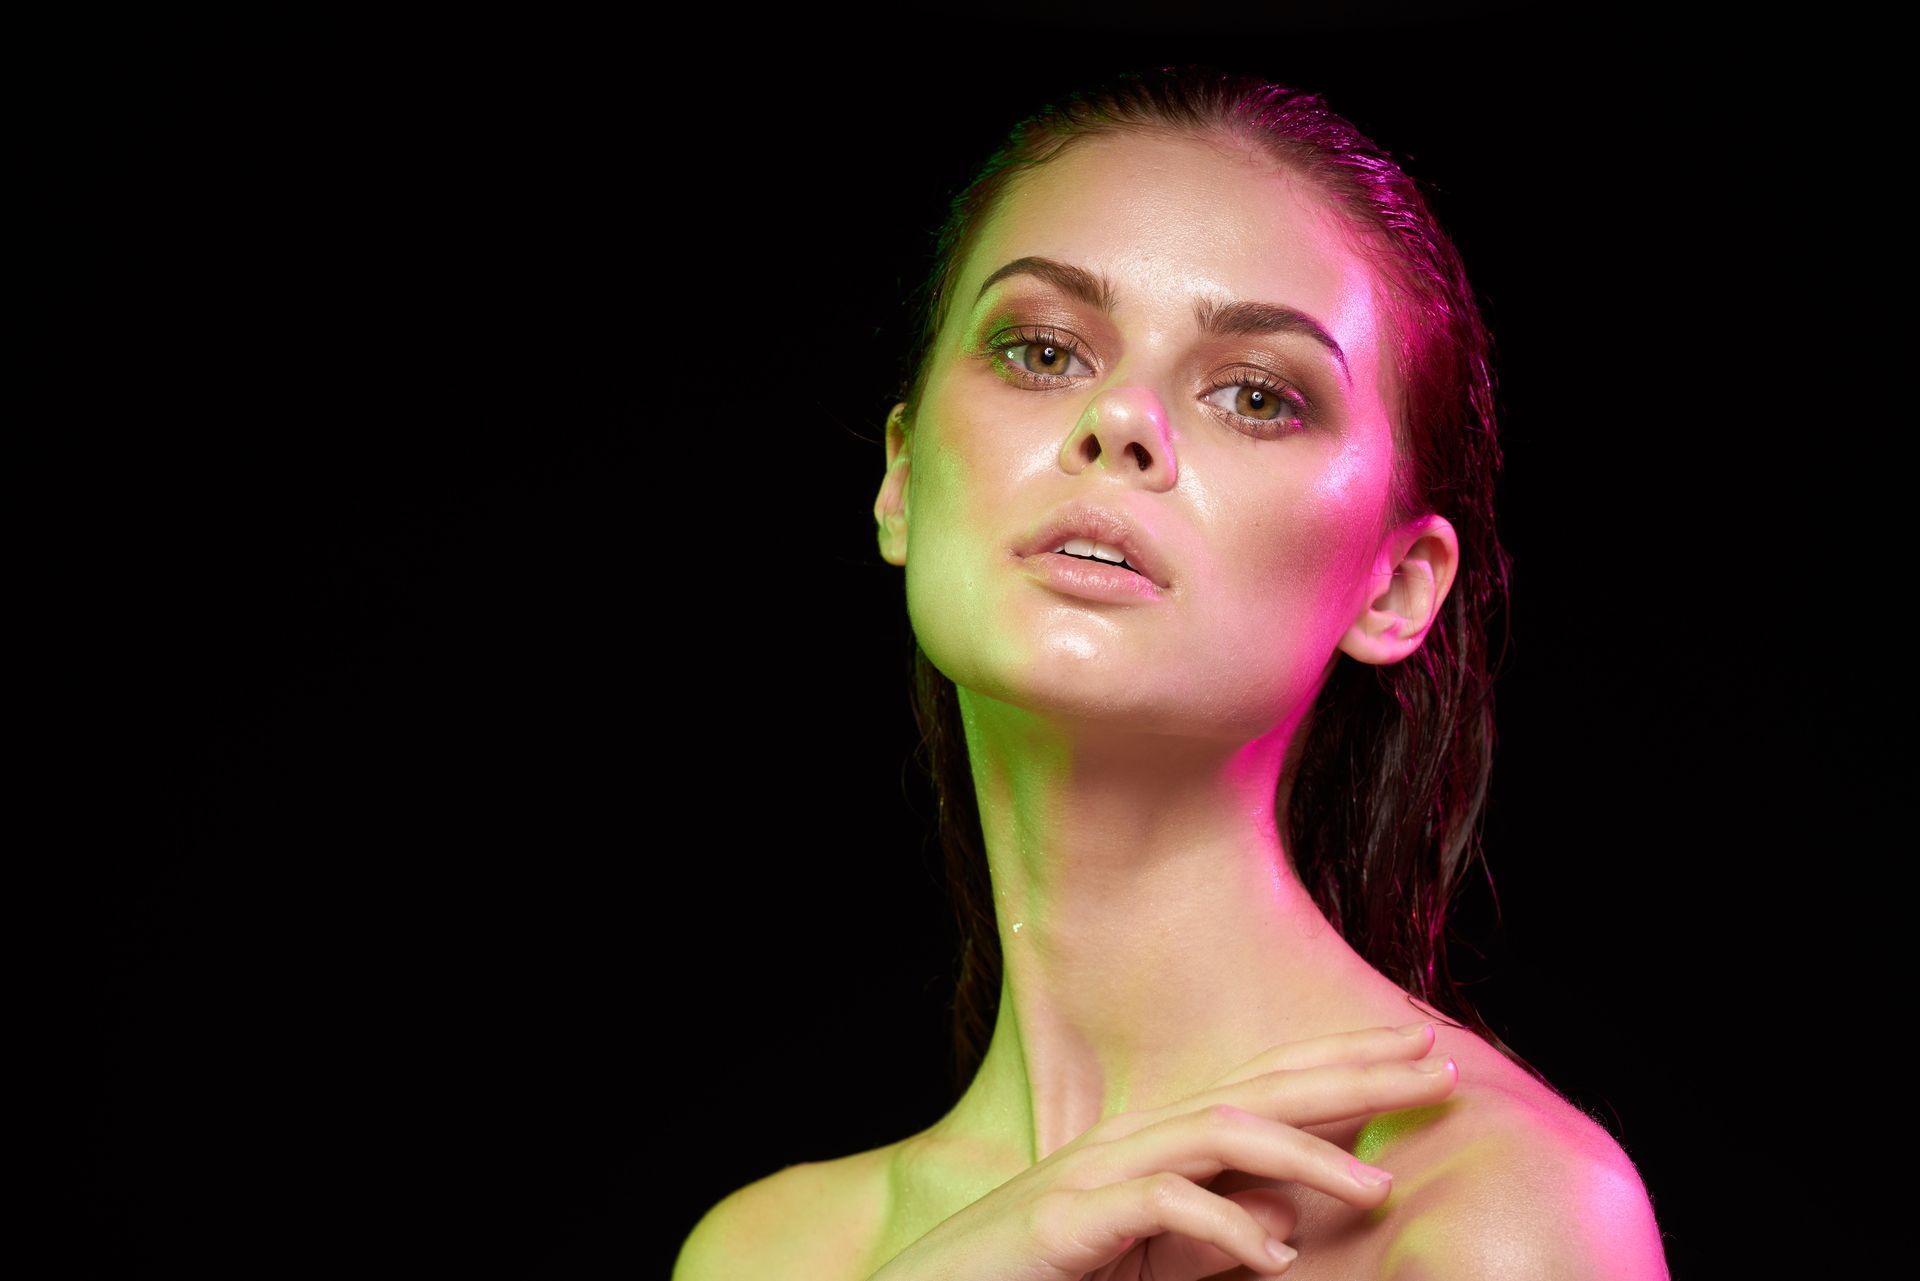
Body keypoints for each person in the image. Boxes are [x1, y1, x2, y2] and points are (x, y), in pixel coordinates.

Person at [674, 65, 1668, 1280]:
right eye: (1043, 352)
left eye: (1256, 395)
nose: (1119, 420)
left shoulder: (1498, 1219)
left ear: (1396, 586)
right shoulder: (771, 1254)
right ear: (902, 476)